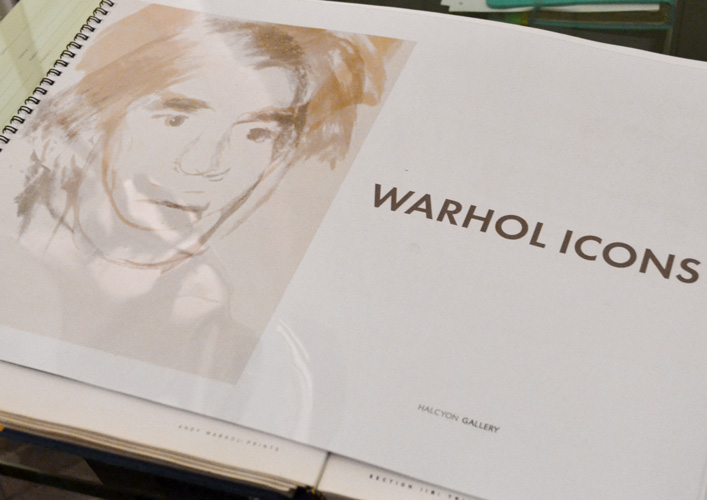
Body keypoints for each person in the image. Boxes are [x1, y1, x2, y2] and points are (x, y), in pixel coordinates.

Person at [8, 4, 402, 382]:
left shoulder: (257, 353)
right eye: (175, 119)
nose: (206, 163)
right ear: (81, 128)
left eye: (256, 133)